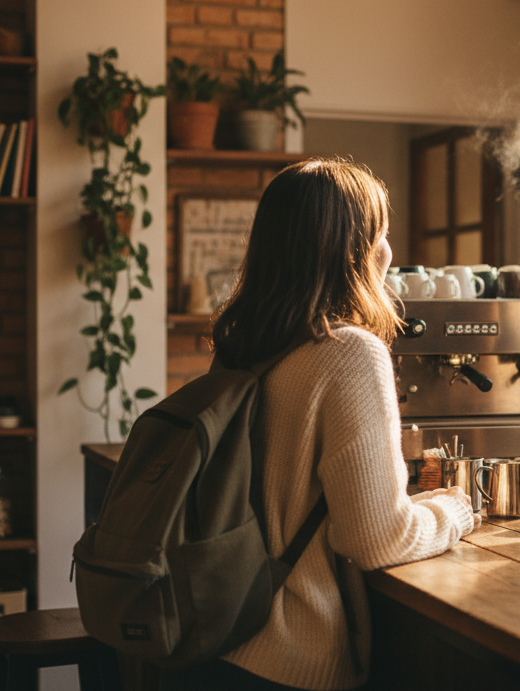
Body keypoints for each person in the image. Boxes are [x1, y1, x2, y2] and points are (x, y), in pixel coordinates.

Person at [163, 158, 478, 690]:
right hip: (288, 659)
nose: (388, 250)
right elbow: (375, 539)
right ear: (357, 250)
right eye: (381, 233)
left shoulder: (245, 347)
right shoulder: (350, 353)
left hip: (214, 639)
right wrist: (455, 510)